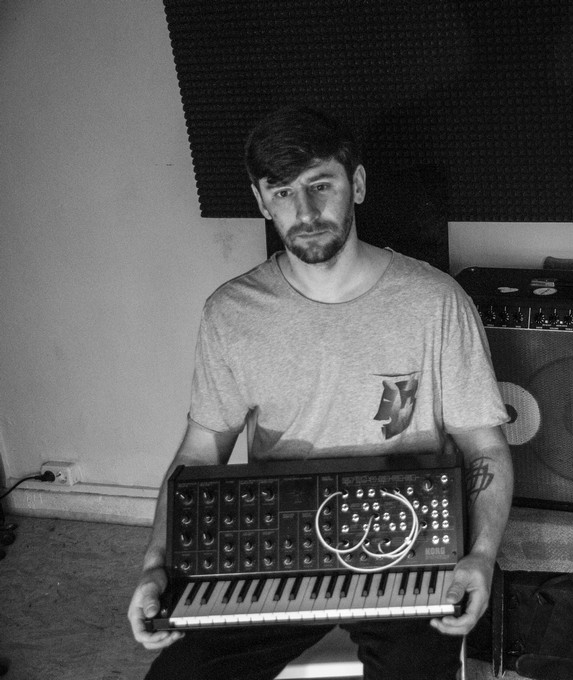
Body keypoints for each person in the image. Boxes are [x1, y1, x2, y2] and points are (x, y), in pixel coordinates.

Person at [127, 105, 513, 680]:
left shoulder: (435, 301)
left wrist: (481, 555)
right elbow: (200, 451)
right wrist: (156, 564)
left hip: (406, 550)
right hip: (276, 551)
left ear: (357, 184)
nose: (304, 212)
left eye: (320, 185)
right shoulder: (230, 313)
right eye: (282, 192)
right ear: (262, 202)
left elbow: (485, 446)